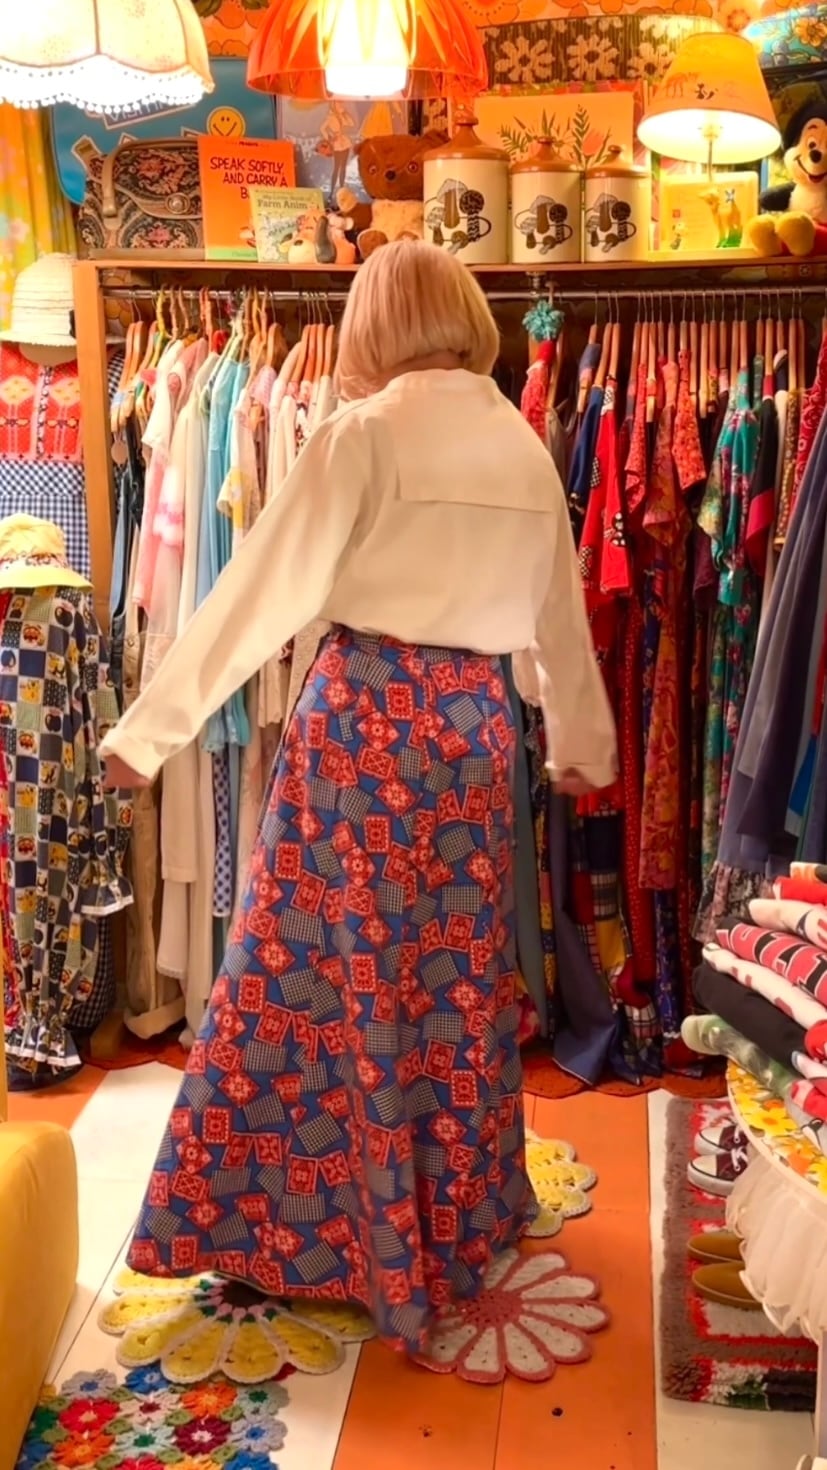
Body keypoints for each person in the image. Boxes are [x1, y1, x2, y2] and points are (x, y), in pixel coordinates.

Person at [101, 241, 617, 1357]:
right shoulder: (522, 444)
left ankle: (311, 1227)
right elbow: (557, 619)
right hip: (474, 731)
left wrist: (148, 732)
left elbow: (254, 595)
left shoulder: (361, 434)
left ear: (373, 325)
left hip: (368, 721)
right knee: (450, 977)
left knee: (312, 970)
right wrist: (580, 740)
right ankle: (453, 1217)